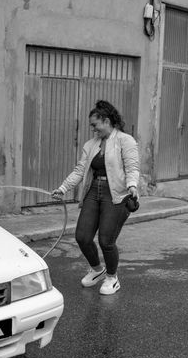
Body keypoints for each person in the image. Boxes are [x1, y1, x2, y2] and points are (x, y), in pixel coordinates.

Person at [52, 100, 139, 295]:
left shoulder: (125, 141)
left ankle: (112, 277)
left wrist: (132, 186)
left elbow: (132, 168)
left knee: (106, 240)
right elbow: (80, 170)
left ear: (106, 121)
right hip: (93, 191)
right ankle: (97, 270)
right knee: (82, 237)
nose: (93, 129)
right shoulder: (91, 144)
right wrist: (63, 188)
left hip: (116, 195)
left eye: (95, 125)